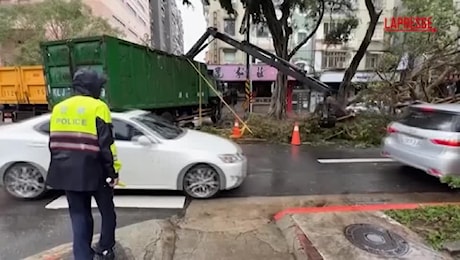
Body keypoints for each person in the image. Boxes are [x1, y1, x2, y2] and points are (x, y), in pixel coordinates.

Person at [46, 68, 122, 260]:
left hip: (67, 174)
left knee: (79, 215)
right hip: (94, 172)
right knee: (107, 212)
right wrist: (113, 173)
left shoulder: (59, 108)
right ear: (93, 87)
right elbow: (107, 145)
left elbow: (54, 143)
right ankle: (105, 248)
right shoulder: (98, 107)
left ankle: (82, 256)